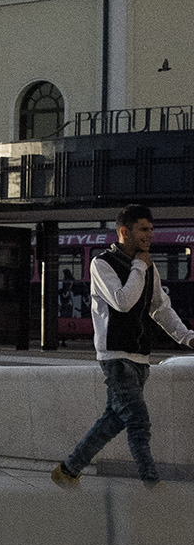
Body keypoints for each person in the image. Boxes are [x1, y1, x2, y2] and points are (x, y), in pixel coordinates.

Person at [53, 205, 194, 489]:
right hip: (115, 356)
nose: (150, 235)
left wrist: (187, 336)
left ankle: (68, 471)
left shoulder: (148, 266)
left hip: (140, 357)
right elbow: (122, 301)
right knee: (139, 422)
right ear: (124, 231)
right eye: (143, 229)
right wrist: (139, 266)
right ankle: (151, 484)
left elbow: (160, 308)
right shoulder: (102, 263)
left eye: (151, 229)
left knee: (113, 420)